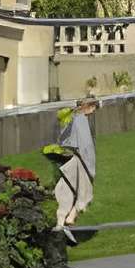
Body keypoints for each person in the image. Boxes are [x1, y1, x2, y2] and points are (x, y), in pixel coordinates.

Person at [53, 97, 99, 231]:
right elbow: (85, 148)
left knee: (68, 189)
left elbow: (65, 138)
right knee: (84, 192)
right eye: (94, 107)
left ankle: (62, 221)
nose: (94, 110)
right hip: (79, 161)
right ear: (89, 106)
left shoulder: (74, 118)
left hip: (74, 159)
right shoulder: (79, 120)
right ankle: (68, 217)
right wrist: (90, 168)